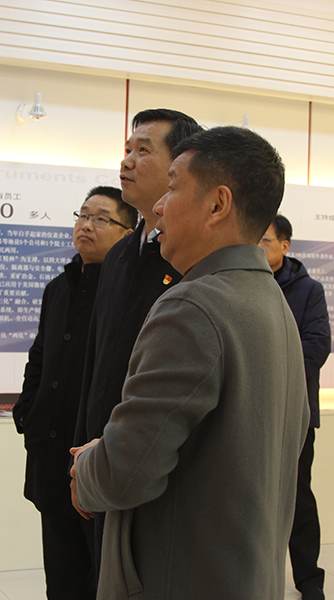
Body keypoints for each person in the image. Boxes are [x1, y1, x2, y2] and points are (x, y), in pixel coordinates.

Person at [70, 126, 310, 599]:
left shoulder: (193, 306)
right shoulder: (271, 301)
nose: (159, 206)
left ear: (217, 205)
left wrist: (89, 467)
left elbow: (124, 473)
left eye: (173, 187)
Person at [72, 109, 203, 564]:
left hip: (154, 468)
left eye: (143, 150)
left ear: (179, 165)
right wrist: (82, 457)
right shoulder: (121, 254)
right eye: (127, 149)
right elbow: (96, 362)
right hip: (100, 455)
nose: (126, 161)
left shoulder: (189, 258)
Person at [12, 186, 136, 599]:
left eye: (101, 218)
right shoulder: (58, 288)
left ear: (127, 234)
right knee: (61, 574)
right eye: (83, 215)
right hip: (51, 449)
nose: (87, 225)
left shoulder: (127, 293)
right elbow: (40, 355)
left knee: (100, 574)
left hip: (96, 452)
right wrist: (27, 410)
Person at [259, 214, 331, 600]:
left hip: (293, 412)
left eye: (266, 240)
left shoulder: (308, 290)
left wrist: (261, 366)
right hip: (248, 412)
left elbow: (316, 346)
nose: (258, 246)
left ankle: (309, 579)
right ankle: (255, 575)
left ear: (285, 246)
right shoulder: (241, 282)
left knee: (298, 498)